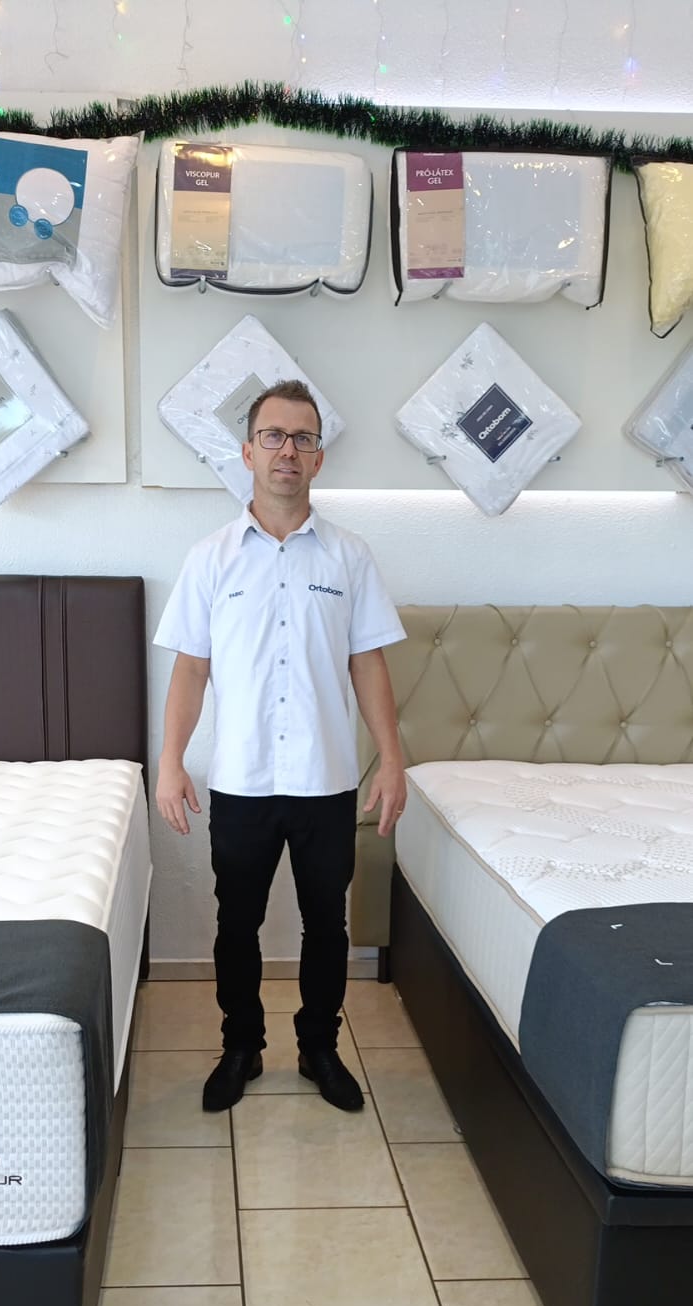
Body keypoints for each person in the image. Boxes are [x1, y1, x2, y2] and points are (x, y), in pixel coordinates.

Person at [154, 379, 407, 1114]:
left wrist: (392, 760)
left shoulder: (349, 557)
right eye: (273, 436)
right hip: (242, 779)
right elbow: (190, 669)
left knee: (327, 923)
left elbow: (368, 663)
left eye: (302, 439)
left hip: (326, 779)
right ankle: (241, 1046)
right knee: (236, 923)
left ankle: (319, 1047)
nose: (286, 451)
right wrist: (170, 761)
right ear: (247, 453)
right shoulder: (211, 558)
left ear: (318, 458)